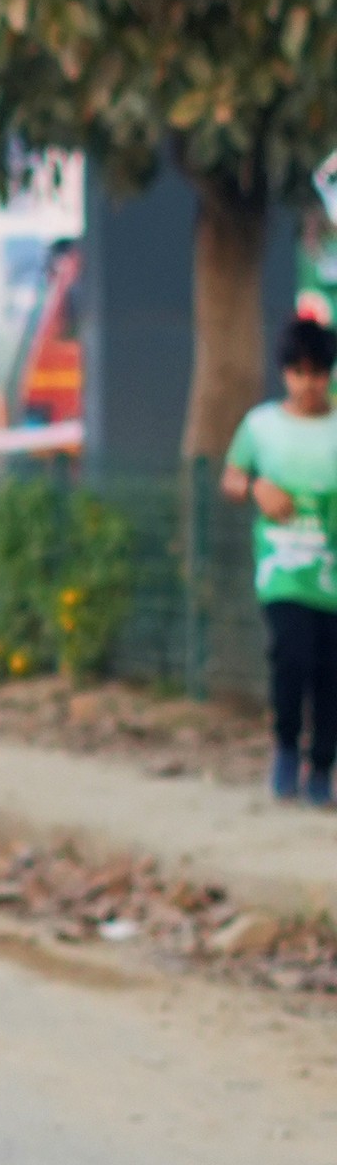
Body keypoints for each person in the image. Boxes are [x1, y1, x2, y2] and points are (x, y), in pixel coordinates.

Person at [222, 313, 337, 802]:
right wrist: (256, 488)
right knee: (292, 656)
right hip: (282, 572)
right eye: (298, 372)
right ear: (284, 373)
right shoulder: (260, 426)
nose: (307, 384)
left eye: (317, 373)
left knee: (330, 672)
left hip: (331, 576)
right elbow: (231, 478)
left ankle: (322, 767)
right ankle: (286, 747)